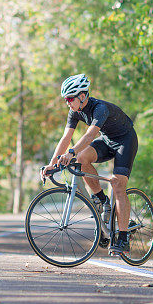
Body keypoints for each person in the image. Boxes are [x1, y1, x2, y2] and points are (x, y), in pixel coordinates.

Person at [40, 74, 138, 256]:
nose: (67, 103)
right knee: (81, 159)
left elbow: (89, 136)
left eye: (70, 98)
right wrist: (52, 164)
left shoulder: (99, 108)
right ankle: (102, 201)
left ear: (82, 96)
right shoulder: (74, 112)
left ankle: (123, 237)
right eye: (66, 99)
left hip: (125, 141)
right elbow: (65, 138)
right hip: (108, 141)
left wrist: (71, 152)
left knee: (118, 184)